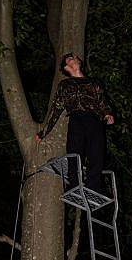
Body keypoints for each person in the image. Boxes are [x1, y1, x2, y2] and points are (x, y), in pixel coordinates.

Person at [35, 53, 114, 194]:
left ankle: (93, 188)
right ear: (67, 67)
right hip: (76, 118)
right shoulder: (65, 85)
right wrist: (43, 133)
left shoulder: (94, 83)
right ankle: (74, 185)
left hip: (94, 120)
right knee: (74, 151)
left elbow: (102, 101)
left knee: (96, 152)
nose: (75, 59)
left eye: (75, 58)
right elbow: (56, 109)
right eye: (71, 59)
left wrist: (107, 114)